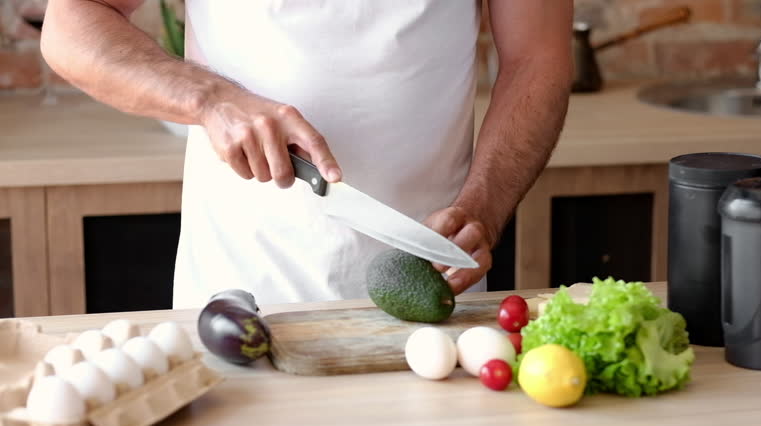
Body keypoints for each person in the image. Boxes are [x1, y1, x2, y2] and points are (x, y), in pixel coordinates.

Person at [41, 1, 572, 308]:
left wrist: (484, 208)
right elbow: (72, 23)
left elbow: (536, 58)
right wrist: (210, 99)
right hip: (240, 297)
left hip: (434, 295)